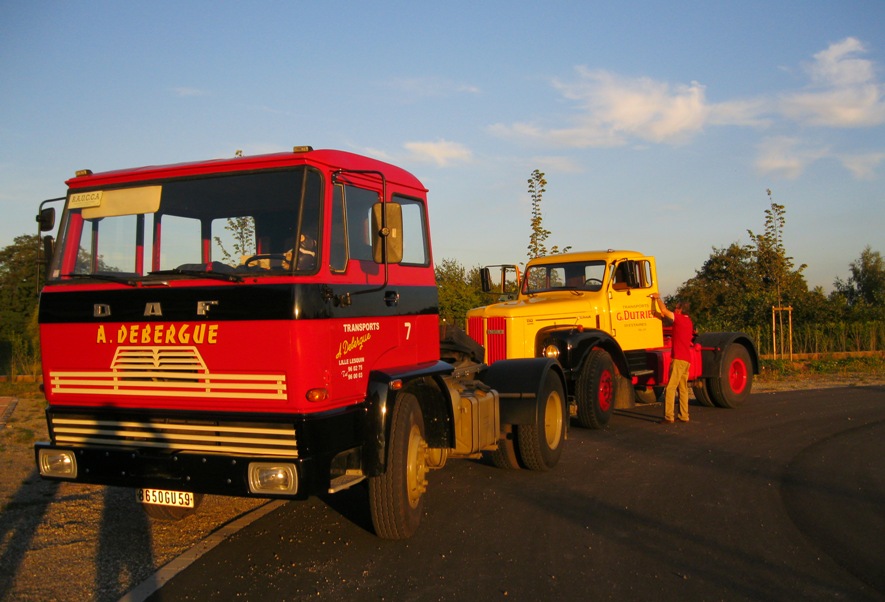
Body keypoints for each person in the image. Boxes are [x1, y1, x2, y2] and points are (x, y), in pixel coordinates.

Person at [650, 293, 694, 424]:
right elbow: (664, 316)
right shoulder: (688, 322)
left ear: (680, 310)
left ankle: (668, 416)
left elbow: (664, 311)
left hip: (679, 358)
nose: (674, 310)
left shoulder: (679, 319)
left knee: (670, 388)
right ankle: (684, 415)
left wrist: (657, 298)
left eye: (676, 308)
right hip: (687, 359)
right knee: (683, 388)